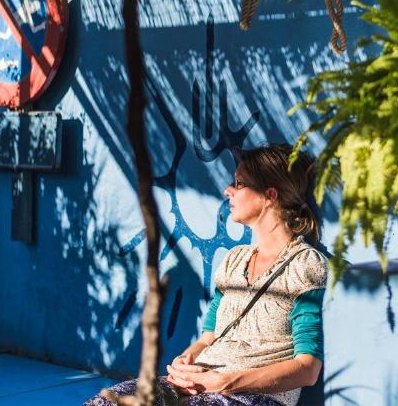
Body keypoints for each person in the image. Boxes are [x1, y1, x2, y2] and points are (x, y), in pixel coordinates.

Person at [87, 144, 326, 406]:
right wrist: (185, 361)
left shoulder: (304, 264)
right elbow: (207, 338)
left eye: (239, 183)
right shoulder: (234, 260)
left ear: (269, 196)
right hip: (198, 384)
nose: (228, 191)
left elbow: (308, 367)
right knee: (108, 402)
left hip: (252, 396)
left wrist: (224, 383)